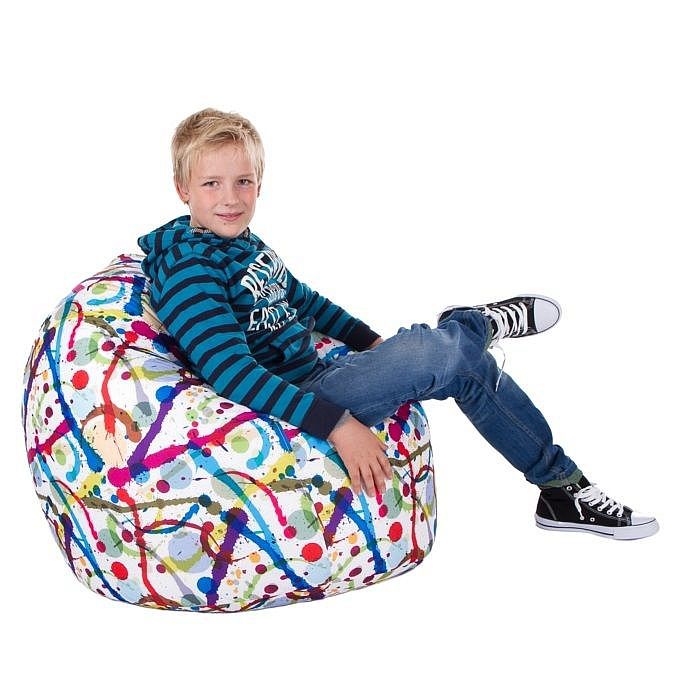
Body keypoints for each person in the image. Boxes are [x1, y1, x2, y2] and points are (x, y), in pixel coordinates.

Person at [137, 107, 658, 541]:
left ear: (260, 184)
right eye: (212, 184)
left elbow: (305, 300)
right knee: (445, 352)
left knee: (461, 362)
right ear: (183, 189)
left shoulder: (242, 243)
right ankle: (474, 326)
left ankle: (560, 486)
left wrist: (374, 344)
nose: (230, 198)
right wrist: (338, 425)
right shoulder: (190, 269)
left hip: (318, 377)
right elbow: (232, 375)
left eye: (243, 181)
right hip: (287, 407)